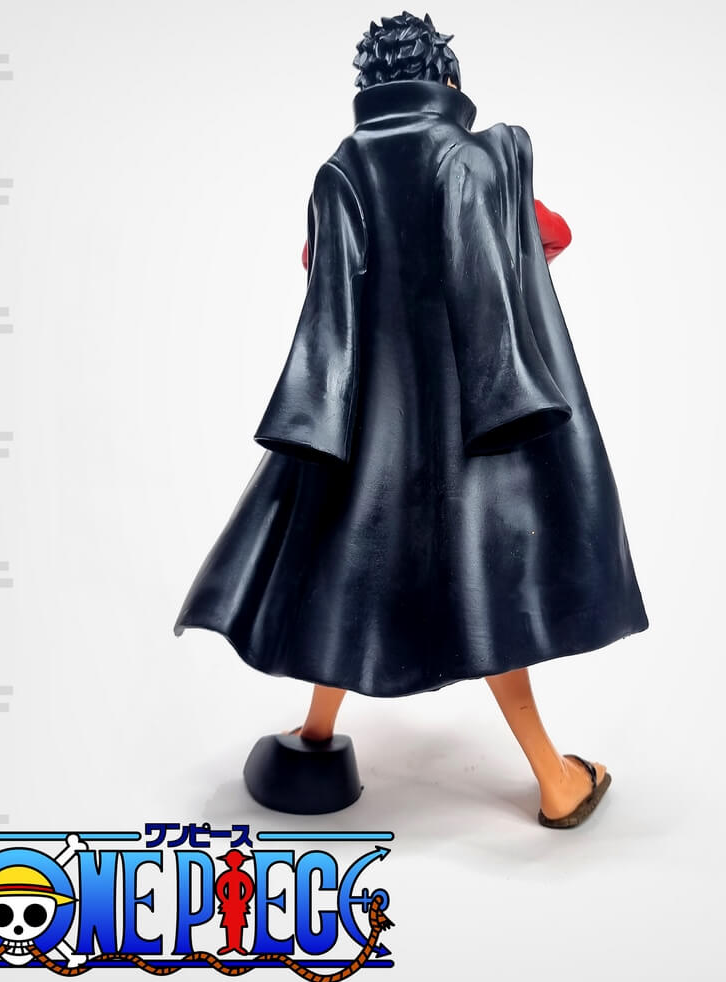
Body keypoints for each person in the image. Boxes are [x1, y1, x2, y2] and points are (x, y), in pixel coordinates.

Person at [174, 11, 649, 828]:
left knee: (342, 568)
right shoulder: (476, 156)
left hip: (367, 425)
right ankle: (555, 780)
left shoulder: (341, 168)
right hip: (472, 426)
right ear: (447, 80)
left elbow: (317, 267)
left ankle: (316, 738)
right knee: (487, 594)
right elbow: (552, 234)